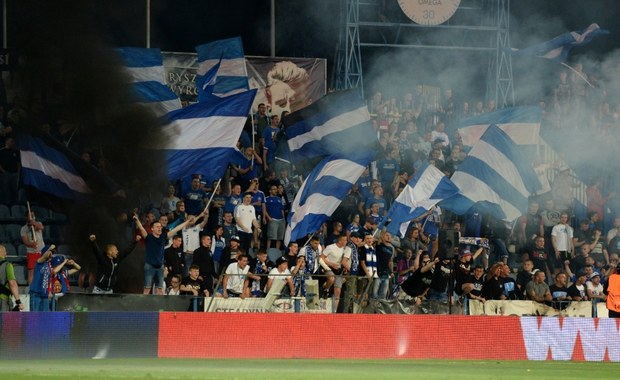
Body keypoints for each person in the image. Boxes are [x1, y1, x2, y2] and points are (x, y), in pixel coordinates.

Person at [135, 211, 194, 295]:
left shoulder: (163, 236)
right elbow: (141, 228)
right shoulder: (149, 237)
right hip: (150, 266)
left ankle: (160, 308)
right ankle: (145, 307)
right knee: (147, 289)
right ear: (152, 229)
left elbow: (177, 229)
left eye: (160, 227)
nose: (160, 228)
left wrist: (187, 221)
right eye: (157, 227)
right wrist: (137, 220)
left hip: (160, 267)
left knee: (160, 290)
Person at [21, 210, 45, 284]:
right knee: (31, 272)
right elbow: (25, 242)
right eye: (30, 215)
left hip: (41, 252)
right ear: (26, 217)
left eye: (33, 215)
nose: (32, 217)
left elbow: (41, 227)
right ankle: (30, 289)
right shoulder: (24, 229)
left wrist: (33, 223)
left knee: (42, 271)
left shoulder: (38, 224)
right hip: (32, 253)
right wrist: (32, 244)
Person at [0, 244, 23, 311]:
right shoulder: (7, 265)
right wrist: (18, 301)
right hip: (3, 299)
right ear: (2, 253)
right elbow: (12, 283)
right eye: (5, 251)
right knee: (3, 321)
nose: (6, 253)